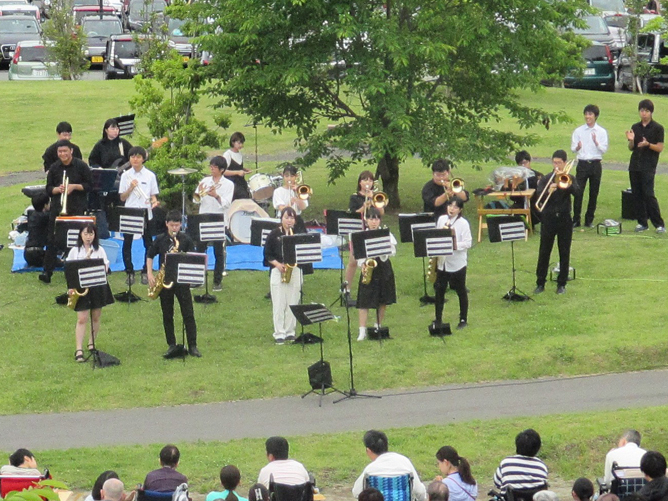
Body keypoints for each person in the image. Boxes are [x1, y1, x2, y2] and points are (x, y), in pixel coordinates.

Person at [147, 210, 200, 358]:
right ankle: (171, 344)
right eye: (172, 225)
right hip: (165, 281)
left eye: (177, 225)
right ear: (166, 224)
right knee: (167, 314)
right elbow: (150, 255)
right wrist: (150, 273)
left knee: (188, 313)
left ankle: (193, 345)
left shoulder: (186, 240)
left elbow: (193, 259)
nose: (174, 228)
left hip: (182, 281)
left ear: (180, 225)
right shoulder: (160, 239)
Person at [40, 139, 92, 283]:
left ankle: (76, 268)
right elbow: (48, 188)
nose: (62, 154)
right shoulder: (54, 168)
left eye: (65, 151)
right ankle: (47, 271)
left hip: (77, 208)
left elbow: (89, 185)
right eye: (60, 152)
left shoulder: (81, 166)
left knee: (77, 239)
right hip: (58, 208)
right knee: (52, 239)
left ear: (71, 151)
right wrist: (58, 189)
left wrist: (74, 186)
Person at [67, 223, 114, 363]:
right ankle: (79, 349)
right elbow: (69, 270)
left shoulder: (99, 250)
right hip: (81, 288)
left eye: (91, 234)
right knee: (82, 318)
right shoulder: (75, 251)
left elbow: (106, 266)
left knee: (96, 317)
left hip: (97, 287)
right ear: (81, 234)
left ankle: (92, 343)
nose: (88, 237)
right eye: (86, 234)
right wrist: (71, 287)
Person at [534, 150, 579, 295]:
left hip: (565, 219)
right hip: (548, 219)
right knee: (544, 251)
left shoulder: (569, 177)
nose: (557, 165)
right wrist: (549, 190)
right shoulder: (546, 178)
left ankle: (562, 283)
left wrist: (564, 185)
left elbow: (578, 193)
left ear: (565, 163)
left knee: (564, 251)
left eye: (559, 162)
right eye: (554, 162)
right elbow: (538, 198)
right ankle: (540, 282)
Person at [118, 146, 160, 287]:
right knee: (127, 242)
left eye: (138, 157)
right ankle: (129, 272)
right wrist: (130, 188)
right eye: (132, 157)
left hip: (144, 212)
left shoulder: (150, 175)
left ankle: (145, 270)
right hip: (129, 212)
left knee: (147, 242)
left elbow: (153, 195)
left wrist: (154, 202)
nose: (135, 159)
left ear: (143, 158)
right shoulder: (125, 175)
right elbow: (122, 198)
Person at [263, 207, 304, 344]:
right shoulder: (274, 234)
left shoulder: (298, 234)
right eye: (286, 217)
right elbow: (267, 254)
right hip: (278, 269)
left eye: (292, 218)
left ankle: (290, 331)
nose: (289, 220)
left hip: (295, 269)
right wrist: (278, 265)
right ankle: (279, 333)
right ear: (281, 218)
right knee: (279, 303)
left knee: (293, 301)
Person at [355, 207, 397, 341]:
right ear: (366, 220)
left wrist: (384, 249)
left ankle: (377, 325)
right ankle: (362, 330)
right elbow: (358, 255)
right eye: (371, 219)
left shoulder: (385, 233)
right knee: (364, 300)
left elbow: (392, 251)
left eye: (377, 219)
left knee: (383, 298)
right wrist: (363, 264)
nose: (374, 222)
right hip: (368, 267)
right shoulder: (361, 235)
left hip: (383, 266)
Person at [194, 156, 234, 292]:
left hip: (219, 220)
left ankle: (217, 281)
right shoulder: (205, 181)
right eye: (210, 166)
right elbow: (195, 200)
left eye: (214, 167)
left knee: (218, 252)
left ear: (222, 170)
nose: (211, 168)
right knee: (199, 250)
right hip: (204, 218)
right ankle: (198, 279)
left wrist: (216, 196)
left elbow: (227, 203)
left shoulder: (229, 185)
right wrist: (199, 193)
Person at [626, 99, 666, 233]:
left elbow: (660, 148)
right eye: (642, 110)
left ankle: (659, 224)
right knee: (636, 194)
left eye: (646, 111)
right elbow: (631, 147)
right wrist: (631, 140)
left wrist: (648, 144)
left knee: (648, 194)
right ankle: (642, 222)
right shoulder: (635, 127)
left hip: (648, 165)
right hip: (635, 165)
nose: (644, 113)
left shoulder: (658, 128)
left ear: (651, 112)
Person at [352, 430, 427, 501]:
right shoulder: (405, 462)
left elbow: (356, 492)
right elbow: (420, 492)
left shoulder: (370, 470)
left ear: (368, 450)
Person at [433, 198, 472, 331]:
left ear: (460, 210)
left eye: (455, 207)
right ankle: (438, 318)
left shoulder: (463, 223)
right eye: (450, 205)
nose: (452, 208)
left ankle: (463, 318)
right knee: (439, 291)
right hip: (443, 262)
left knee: (460, 290)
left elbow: (468, 242)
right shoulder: (442, 219)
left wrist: (455, 245)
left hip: (457, 263)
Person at [344, 171, 383, 296]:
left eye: (370, 180)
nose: (368, 183)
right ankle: (346, 289)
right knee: (354, 260)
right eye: (365, 180)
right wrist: (364, 206)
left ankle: (370, 286)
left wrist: (373, 199)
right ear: (360, 182)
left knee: (372, 260)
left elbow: (381, 212)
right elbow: (353, 214)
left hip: (372, 230)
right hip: (358, 230)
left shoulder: (376, 196)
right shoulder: (354, 197)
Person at [571, 104, 609, 229]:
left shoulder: (601, 132)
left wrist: (596, 142)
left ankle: (589, 220)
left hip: (595, 164)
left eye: (590, 114)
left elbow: (603, 149)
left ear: (595, 116)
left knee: (594, 193)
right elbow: (573, 148)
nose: (587, 117)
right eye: (586, 114)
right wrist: (578, 147)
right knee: (578, 192)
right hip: (582, 164)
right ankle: (576, 219)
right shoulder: (578, 131)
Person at [493, 429, 548, 494]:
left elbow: (497, 483)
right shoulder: (541, 466)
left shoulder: (506, 463)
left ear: (517, 445)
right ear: (538, 448)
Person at [272, 164, 309, 232]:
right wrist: (290, 203)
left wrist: (297, 196)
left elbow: (303, 207)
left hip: (297, 219)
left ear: (296, 177)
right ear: (283, 176)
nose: (289, 179)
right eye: (286, 176)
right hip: (284, 220)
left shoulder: (300, 190)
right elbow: (282, 209)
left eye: (292, 176)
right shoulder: (278, 191)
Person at [515, 151, 543, 229]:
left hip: (534, 205)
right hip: (520, 204)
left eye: (525, 162)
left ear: (529, 161)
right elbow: (512, 197)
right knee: (513, 209)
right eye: (521, 164)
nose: (523, 165)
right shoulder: (516, 177)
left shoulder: (538, 175)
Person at [24, 192, 51, 268]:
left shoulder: (32, 215)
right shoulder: (45, 216)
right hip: (37, 254)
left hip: (27, 254)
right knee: (59, 263)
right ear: (45, 205)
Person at [223, 132, 251, 200]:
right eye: (239, 143)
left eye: (242, 143)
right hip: (232, 184)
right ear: (233, 142)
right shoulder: (228, 154)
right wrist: (237, 172)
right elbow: (223, 171)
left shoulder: (239, 154)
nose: (241, 145)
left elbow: (236, 166)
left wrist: (244, 169)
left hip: (241, 183)